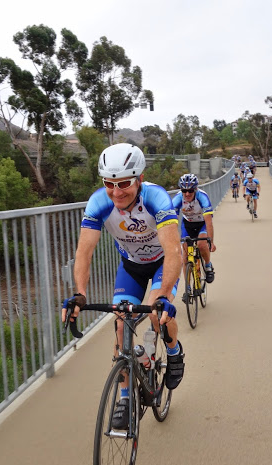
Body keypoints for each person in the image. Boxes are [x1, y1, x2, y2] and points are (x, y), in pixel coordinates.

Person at [61, 143, 185, 430]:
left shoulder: (157, 199)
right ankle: (125, 398)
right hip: (131, 266)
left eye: (124, 183)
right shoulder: (98, 203)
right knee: (120, 323)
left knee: (156, 313)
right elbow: (84, 252)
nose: (117, 192)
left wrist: (164, 296)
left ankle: (174, 352)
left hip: (161, 264)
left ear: (139, 179)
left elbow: (172, 252)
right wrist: (80, 293)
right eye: (109, 184)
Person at [171, 174, 217, 296]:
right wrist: (173, 241)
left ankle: (208, 266)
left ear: (195, 189)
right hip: (187, 225)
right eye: (184, 190)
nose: (187, 194)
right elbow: (172, 222)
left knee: (202, 244)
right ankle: (187, 288)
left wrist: (211, 242)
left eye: (190, 191)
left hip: (202, 224)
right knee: (185, 257)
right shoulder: (177, 199)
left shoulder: (202, 197)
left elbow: (209, 222)